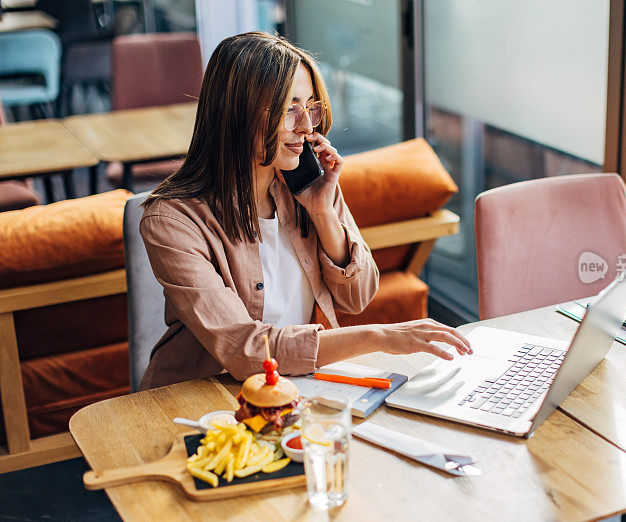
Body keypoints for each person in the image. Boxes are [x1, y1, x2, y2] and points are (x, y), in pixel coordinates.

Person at [138, 32, 471, 389]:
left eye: (311, 107)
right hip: (202, 400)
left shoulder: (307, 183)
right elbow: (247, 351)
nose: (307, 127)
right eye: (289, 109)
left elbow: (357, 297)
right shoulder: (172, 222)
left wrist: (323, 213)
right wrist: (379, 337)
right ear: (236, 113)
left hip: (298, 387)